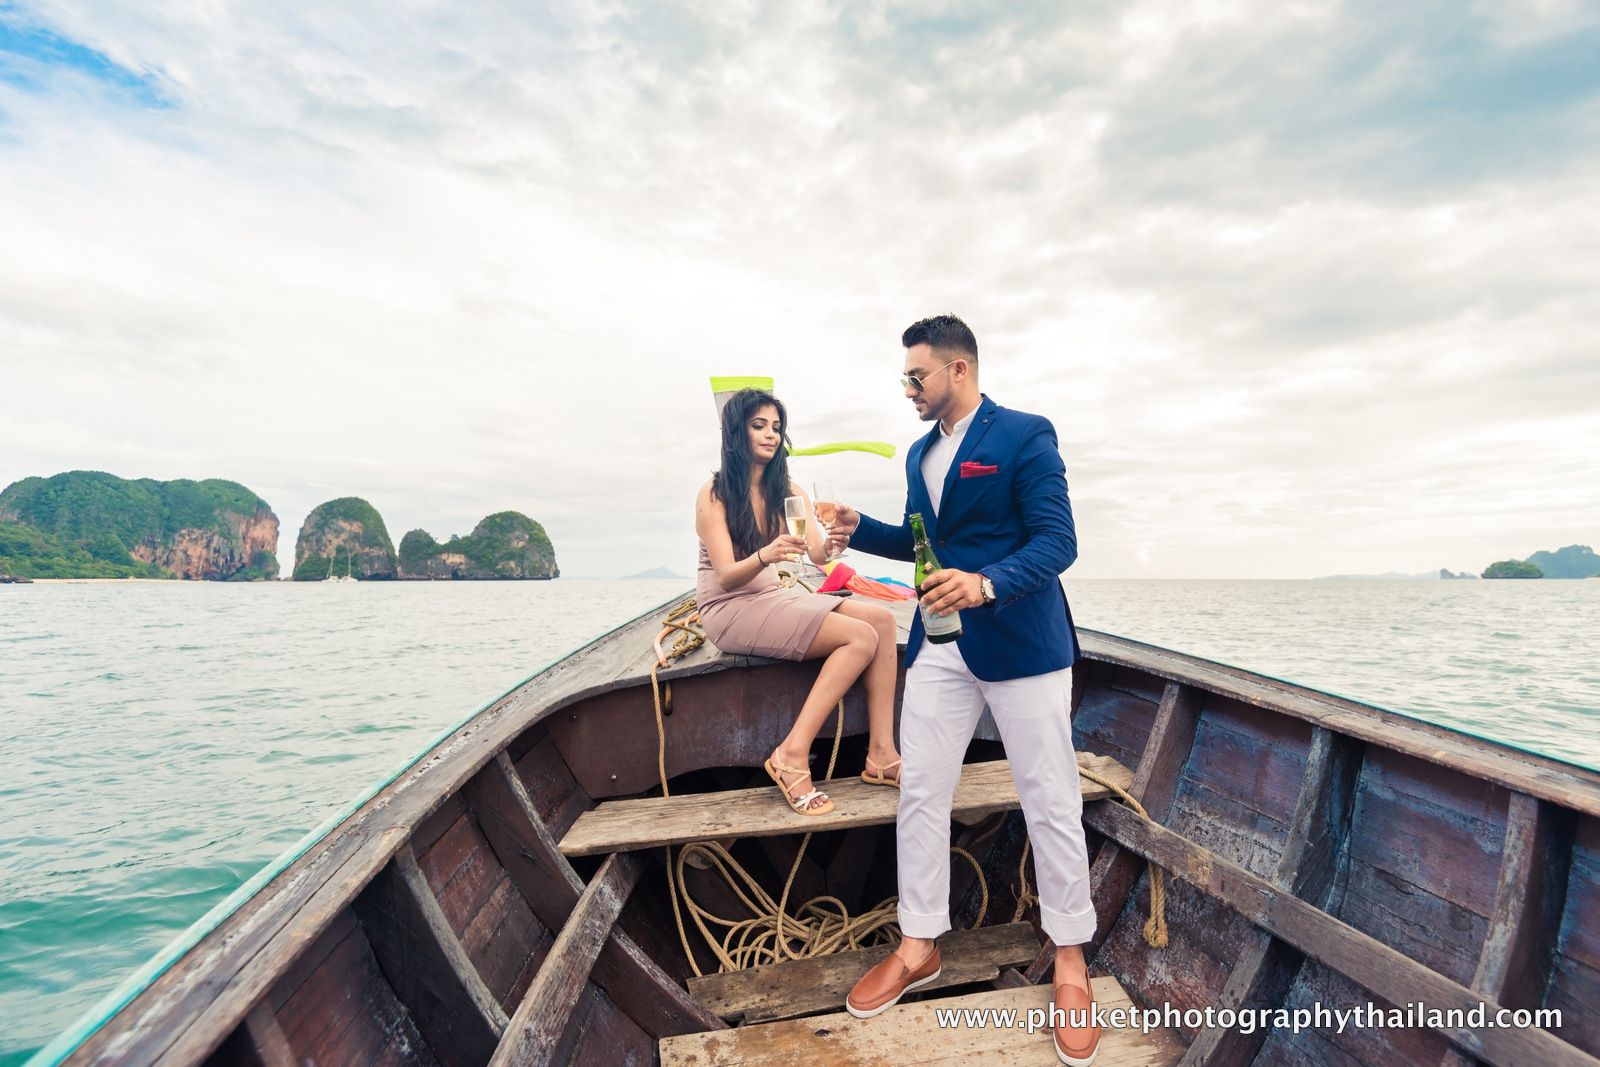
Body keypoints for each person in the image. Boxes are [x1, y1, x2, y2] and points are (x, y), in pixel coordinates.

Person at [829, 316, 1100, 1065]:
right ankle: (920, 943)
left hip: (1023, 643)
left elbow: (1058, 541)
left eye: (916, 376)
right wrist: (859, 527)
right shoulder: (920, 454)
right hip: (941, 645)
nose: (907, 390)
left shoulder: (1025, 434)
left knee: (1050, 797)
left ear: (959, 369)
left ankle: (1070, 956)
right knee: (921, 790)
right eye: (904, 378)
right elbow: (923, 540)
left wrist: (986, 584)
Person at [695, 388, 904, 817]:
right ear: (736, 433)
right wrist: (765, 555)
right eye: (759, 426)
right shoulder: (715, 494)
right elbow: (727, 576)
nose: (770, 435)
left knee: (882, 621)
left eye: (776, 427)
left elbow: (816, 554)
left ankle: (882, 754)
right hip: (728, 608)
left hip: (771, 596)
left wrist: (834, 544)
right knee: (860, 638)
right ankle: (791, 754)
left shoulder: (788, 490)